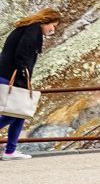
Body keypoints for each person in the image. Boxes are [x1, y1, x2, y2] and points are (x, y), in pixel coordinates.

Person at [0, 9, 60, 160]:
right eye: (53, 25)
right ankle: (10, 151)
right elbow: (22, 55)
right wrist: (24, 76)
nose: (53, 29)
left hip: (8, 74)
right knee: (12, 114)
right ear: (45, 21)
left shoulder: (27, 28)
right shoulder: (33, 29)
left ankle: (10, 151)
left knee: (20, 113)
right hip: (10, 76)